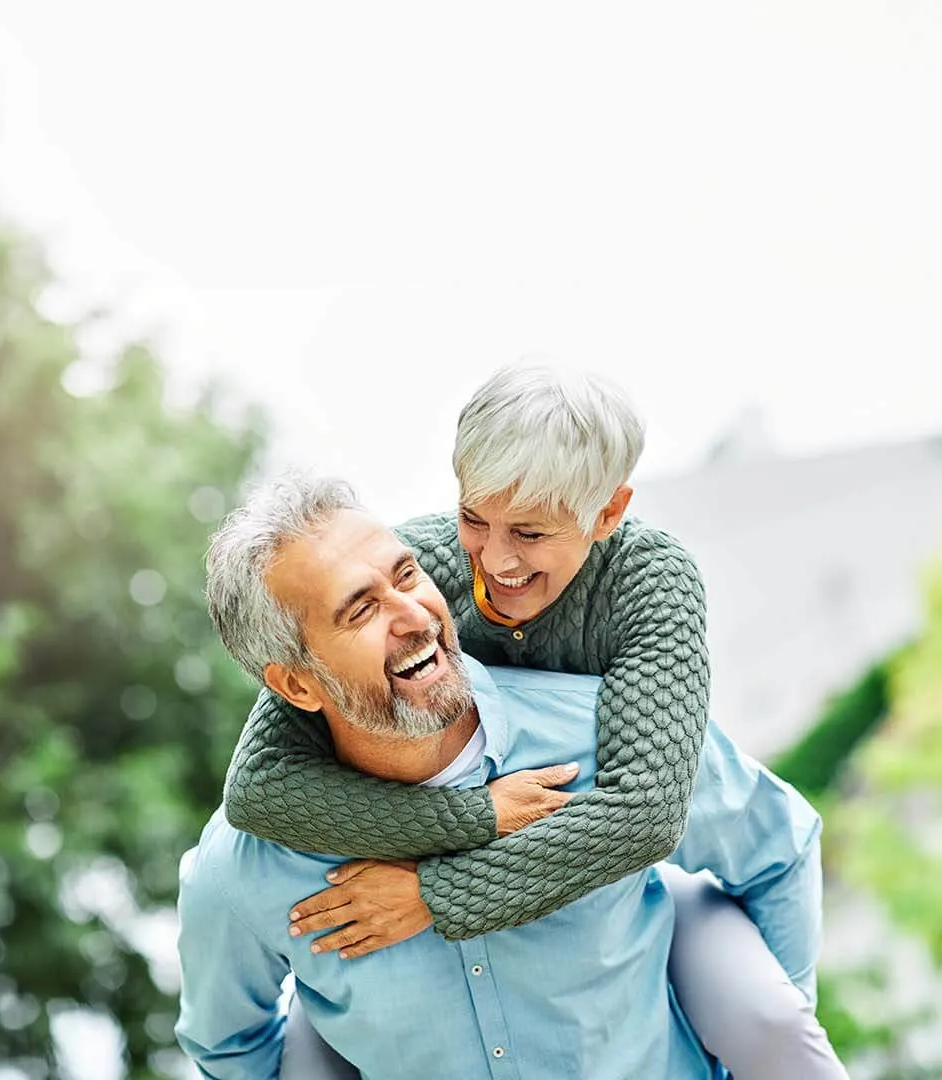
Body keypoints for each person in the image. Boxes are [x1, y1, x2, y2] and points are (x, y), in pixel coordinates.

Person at [220, 365, 843, 1077]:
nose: (493, 558)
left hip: (637, 882)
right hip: (487, 891)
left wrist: (434, 894)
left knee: (772, 1022)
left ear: (607, 515)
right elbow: (259, 788)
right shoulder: (420, 573)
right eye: (474, 518)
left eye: (530, 532)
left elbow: (643, 817)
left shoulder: (650, 583)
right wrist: (476, 818)